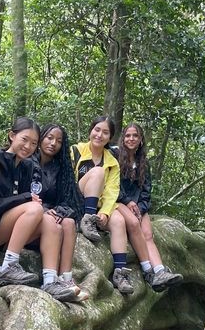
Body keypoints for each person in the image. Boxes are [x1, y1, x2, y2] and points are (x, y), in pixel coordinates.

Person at [0, 117, 77, 302]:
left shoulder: (26, 166)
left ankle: (50, 280)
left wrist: (44, 210)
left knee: (50, 220)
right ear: (12, 136)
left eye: (33, 143)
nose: (28, 146)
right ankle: (8, 267)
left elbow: (22, 205)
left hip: (8, 230)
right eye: (24, 139)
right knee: (36, 208)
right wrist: (25, 199)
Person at [110, 123, 184, 293]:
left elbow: (146, 191)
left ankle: (160, 271)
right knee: (134, 225)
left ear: (141, 139)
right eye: (128, 135)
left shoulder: (143, 162)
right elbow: (112, 184)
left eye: (135, 136)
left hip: (138, 206)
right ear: (123, 138)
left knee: (148, 234)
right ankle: (148, 272)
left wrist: (141, 210)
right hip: (118, 201)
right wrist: (128, 202)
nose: (131, 139)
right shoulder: (115, 155)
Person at [71, 115, 133, 294]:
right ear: (91, 130)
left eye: (105, 132)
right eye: (97, 130)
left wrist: (105, 212)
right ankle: (87, 219)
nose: (99, 135)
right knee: (97, 172)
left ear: (110, 137)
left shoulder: (112, 162)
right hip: (77, 199)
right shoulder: (76, 150)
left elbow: (112, 191)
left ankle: (120, 273)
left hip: (97, 204)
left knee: (119, 220)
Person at [31, 122, 88, 302]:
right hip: (31, 220)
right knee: (55, 221)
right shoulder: (27, 161)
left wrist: (57, 211)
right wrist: (45, 211)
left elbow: (68, 200)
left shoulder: (60, 168)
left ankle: (66, 279)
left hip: (51, 220)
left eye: (59, 141)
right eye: (49, 138)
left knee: (70, 222)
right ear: (40, 139)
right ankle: (50, 280)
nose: (53, 143)